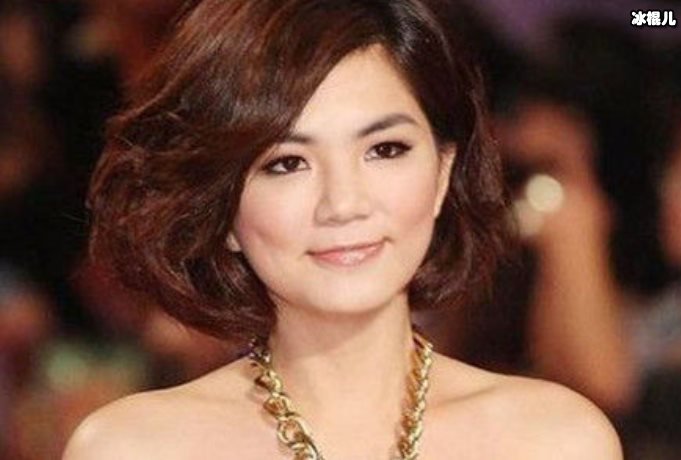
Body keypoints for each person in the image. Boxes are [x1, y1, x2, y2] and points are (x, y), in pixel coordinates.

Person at [63, 0, 622, 458]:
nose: (343, 204)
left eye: (385, 149)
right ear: (223, 209)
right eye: (287, 163)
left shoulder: (556, 441)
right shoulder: (132, 448)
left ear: (441, 176)